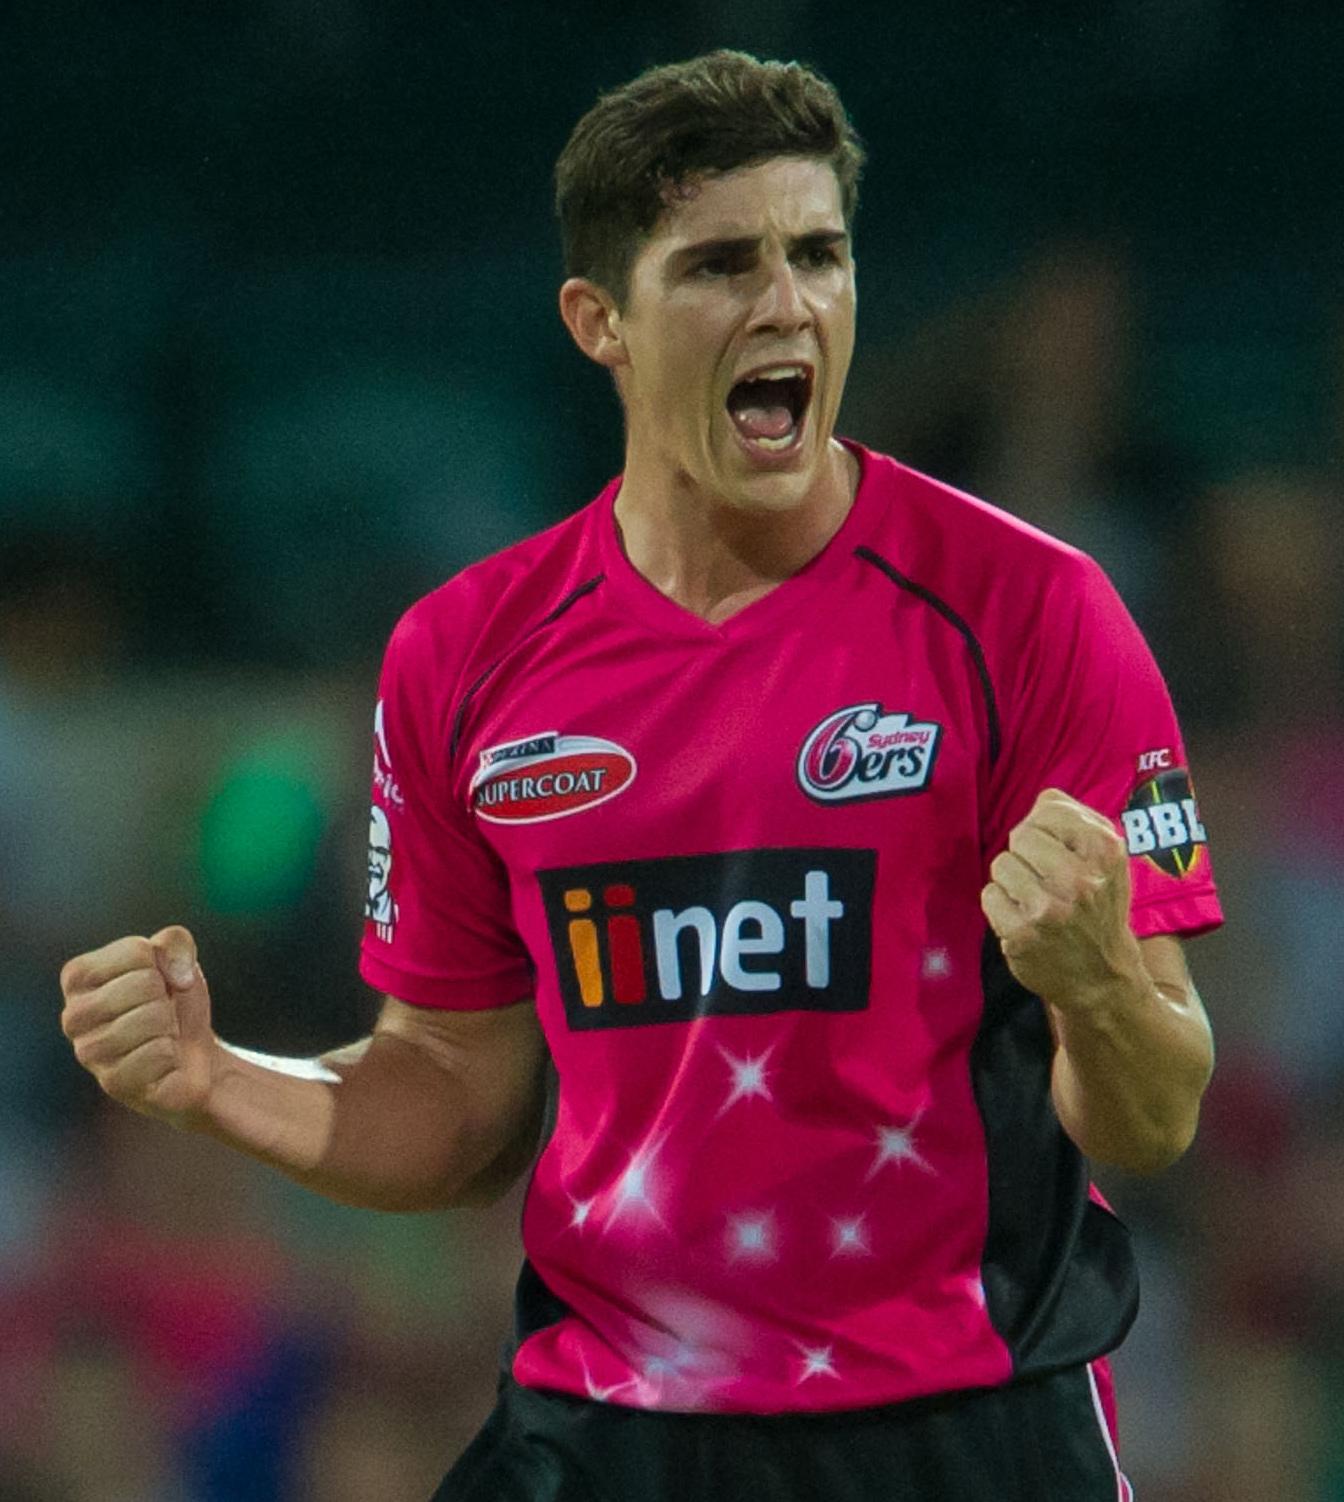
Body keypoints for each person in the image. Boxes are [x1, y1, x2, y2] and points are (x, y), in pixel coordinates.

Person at [58, 50, 1220, 1501]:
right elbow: (454, 1098)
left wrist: (1100, 986)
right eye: (723, 264)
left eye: (818, 254)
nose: (787, 304)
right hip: (609, 1433)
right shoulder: (462, 657)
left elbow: (1157, 1115)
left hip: (962, 1431)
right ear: (598, 319)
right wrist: (222, 1080)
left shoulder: (1034, 612)